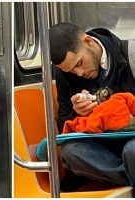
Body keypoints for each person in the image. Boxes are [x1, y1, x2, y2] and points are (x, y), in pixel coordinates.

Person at [49, 22, 135, 190]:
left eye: (79, 63)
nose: (79, 73)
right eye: (71, 71)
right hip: (102, 148)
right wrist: (80, 115)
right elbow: (65, 125)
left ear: (88, 41)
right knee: (71, 152)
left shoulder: (131, 54)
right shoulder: (64, 74)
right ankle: (130, 173)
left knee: (132, 152)